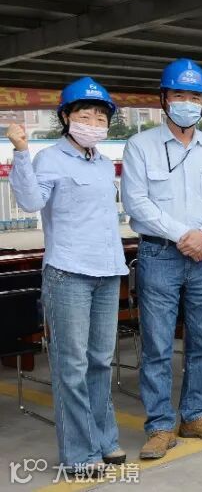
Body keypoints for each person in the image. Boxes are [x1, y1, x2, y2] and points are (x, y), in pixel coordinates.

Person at [8, 78, 127, 475]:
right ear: (66, 117)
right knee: (71, 365)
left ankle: (104, 439)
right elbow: (29, 201)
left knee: (100, 361)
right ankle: (79, 453)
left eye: (100, 117)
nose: (93, 123)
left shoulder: (104, 163)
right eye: (84, 115)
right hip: (69, 273)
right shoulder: (49, 159)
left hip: (108, 271)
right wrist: (20, 152)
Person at [121, 58, 202, 458]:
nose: (188, 103)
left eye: (195, 97)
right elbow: (136, 201)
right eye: (180, 95)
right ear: (164, 99)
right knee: (157, 344)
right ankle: (160, 425)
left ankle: (196, 415)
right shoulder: (140, 146)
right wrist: (183, 236)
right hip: (159, 253)